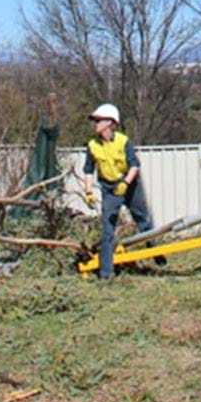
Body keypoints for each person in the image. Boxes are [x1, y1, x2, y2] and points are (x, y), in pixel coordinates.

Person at [82, 103, 152, 279]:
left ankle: (156, 251)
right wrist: (88, 192)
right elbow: (88, 170)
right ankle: (106, 273)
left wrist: (126, 183)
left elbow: (135, 165)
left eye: (98, 121)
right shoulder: (92, 145)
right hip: (109, 189)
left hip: (130, 185)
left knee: (142, 219)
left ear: (109, 123)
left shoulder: (123, 141)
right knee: (107, 230)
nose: (95, 124)